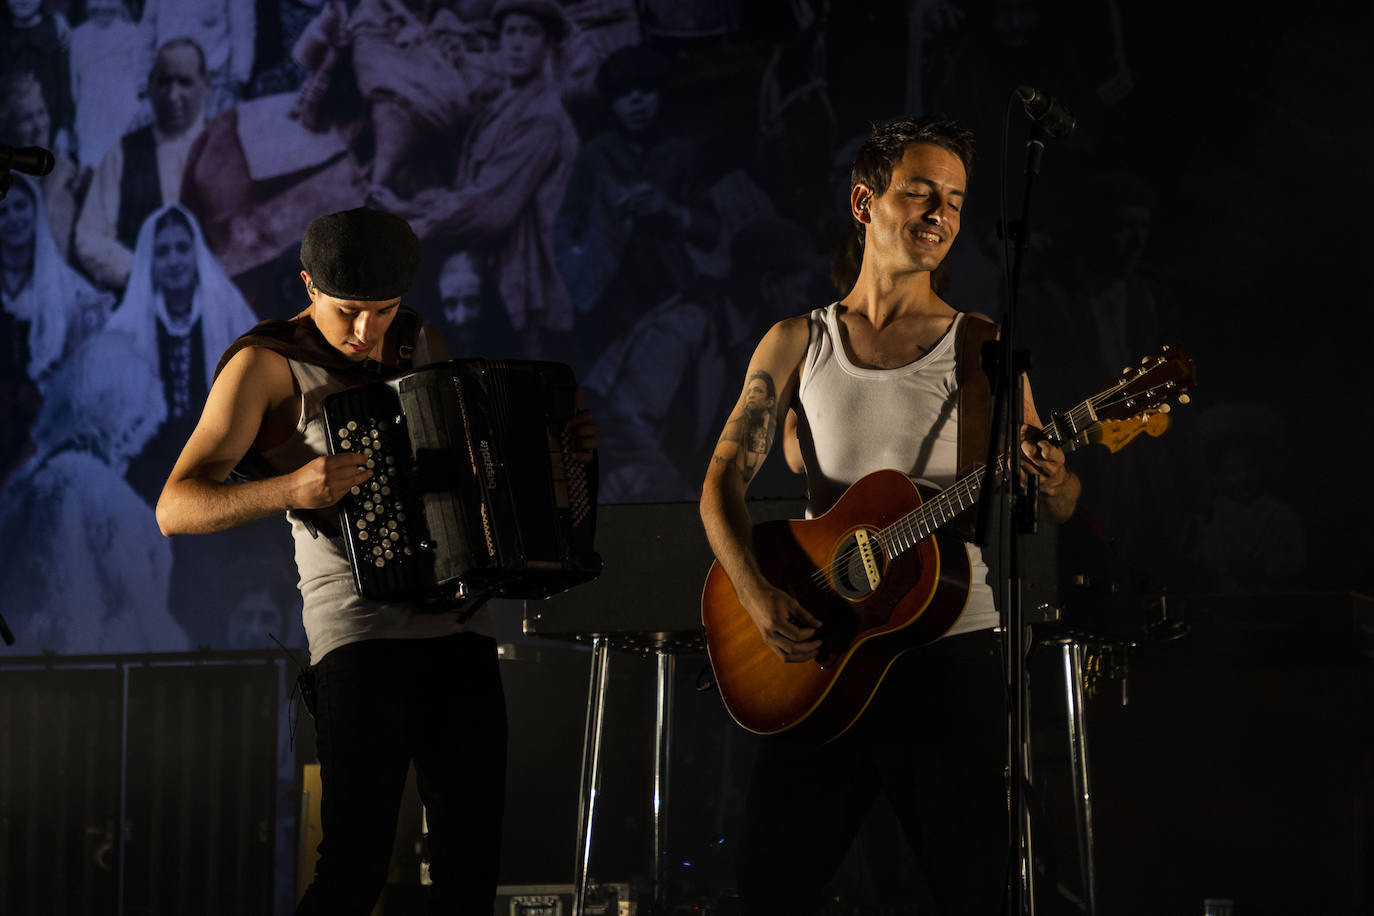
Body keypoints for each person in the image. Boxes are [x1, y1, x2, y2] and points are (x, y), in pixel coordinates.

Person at [154, 206, 597, 914]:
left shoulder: (420, 339)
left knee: (471, 864)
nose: (366, 332)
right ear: (309, 285)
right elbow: (174, 506)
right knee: (355, 863)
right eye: (348, 313)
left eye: (383, 311)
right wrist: (292, 487)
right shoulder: (264, 362)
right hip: (357, 635)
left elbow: (474, 473)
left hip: (460, 627)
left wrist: (555, 455)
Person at [698, 116, 1080, 914]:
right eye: (919, 192)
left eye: (956, 199)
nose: (941, 213)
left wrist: (1052, 482)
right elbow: (722, 483)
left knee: (969, 888)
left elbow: (1061, 501)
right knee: (770, 883)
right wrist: (756, 594)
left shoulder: (982, 344)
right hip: (827, 650)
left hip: (950, 650)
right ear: (864, 201)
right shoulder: (799, 341)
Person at [369, 0, 579, 360]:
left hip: (526, 282)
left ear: (548, 45)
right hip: (495, 277)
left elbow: (489, 210)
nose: (516, 43)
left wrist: (418, 226)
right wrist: (406, 207)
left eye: (529, 33)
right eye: (510, 32)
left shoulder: (541, 118)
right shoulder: (505, 106)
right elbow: (469, 192)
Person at [74, 38, 210, 291]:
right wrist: (142, 273)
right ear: (150, 86)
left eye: (184, 82)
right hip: (140, 303)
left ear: (206, 85)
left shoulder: (223, 146)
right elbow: (89, 237)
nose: (173, 94)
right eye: (164, 82)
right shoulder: (122, 154)